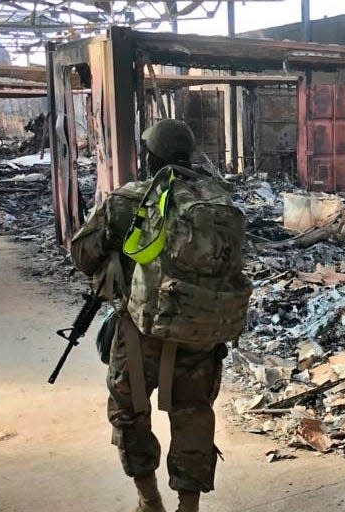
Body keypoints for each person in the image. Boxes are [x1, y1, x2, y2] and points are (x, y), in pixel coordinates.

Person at [70, 119, 249, 512]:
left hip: (142, 330)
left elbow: (83, 255)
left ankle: (149, 501)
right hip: (203, 332)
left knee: (129, 412)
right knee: (193, 416)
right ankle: (189, 507)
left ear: (150, 158)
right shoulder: (218, 198)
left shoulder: (130, 200)